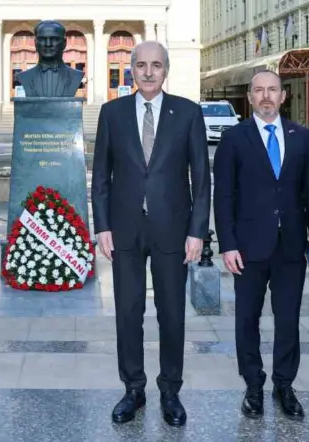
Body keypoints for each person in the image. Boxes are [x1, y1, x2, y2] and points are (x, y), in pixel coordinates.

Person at [91, 41, 210, 428]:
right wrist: (103, 226)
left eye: (155, 65)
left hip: (173, 230)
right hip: (125, 229)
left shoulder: (188, 113)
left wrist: (197, 232)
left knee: (172, 314)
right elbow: (101, 178)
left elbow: (201, 178)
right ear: (131, 70)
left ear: (166, 70)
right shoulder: (112, 113)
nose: (147, 72)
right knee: (127, 312)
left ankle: (170, 390)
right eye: (140, 65)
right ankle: (133, 389)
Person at [213, 70, 309, 421]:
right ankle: (253, 385)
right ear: (249, 98)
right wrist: (227, 244)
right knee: (247, 319)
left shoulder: (302, 137)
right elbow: (224, 196)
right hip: (247, 248)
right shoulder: (234, 138)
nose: (266, 96)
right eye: (259, 91)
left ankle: (284, 385)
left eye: (272, 90)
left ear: (283, 96)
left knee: (288, 319)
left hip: (291, 245)